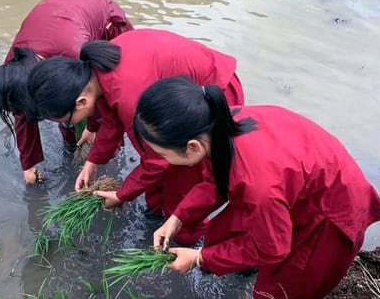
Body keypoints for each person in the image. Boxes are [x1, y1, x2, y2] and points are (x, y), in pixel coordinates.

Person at [133, 76, 380, 299]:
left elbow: (273, 248)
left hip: (328, 217)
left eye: (163, 154)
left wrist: (199, 258)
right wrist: (177, 218)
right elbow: (216, 180)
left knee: (279, 296)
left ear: (192, 147)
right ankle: (244, 270)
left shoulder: (257, 182)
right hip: (297, 189)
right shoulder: (219, 125)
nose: (161, 158)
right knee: (224, 233)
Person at [26, 28, 245, 216]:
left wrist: (122, 195)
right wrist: (93, 162)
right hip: (183, 96)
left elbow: (156, 160)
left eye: (66, 121)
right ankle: (157, 215)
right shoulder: (97, 72)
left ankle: (180, 245)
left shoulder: (129, 97)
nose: (68, 125)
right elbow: (112, 122)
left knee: (181, 188)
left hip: (211, 98)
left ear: (81, 102)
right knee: (162, 180)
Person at [0, 0, 133, 184]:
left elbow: (100, 90)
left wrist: (93, 127)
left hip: (104, 22)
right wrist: (29, 165)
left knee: (112, 103)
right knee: (64, 109)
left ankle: (111, 156)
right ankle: (72, 145)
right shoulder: (14, 69)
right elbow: (21, 112)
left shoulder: (74, 54)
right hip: (59, 16)